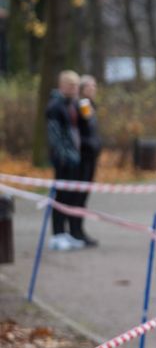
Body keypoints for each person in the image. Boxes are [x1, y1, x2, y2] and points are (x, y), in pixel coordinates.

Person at [45, 70, 84, 252]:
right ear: (62, 86)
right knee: (60, 197)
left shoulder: (73, 104)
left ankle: (67, 232)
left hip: (75, 158)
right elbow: (55, 136)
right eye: (70, 85)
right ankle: (57, 233)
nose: (74, 88)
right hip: (63, 159)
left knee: (70, 197)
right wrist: (64, 156)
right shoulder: (55, 106)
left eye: (76, 85)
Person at [66, 75, 101, 247]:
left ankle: (79, 230)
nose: (93, 89)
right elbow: (84, 127)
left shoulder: (90, 105)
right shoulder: (82, 105)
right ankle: (75, 231)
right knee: (78, 196)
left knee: (84, 197)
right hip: (83, 157)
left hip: (91, 156)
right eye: (89, 86)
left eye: (94, 86)